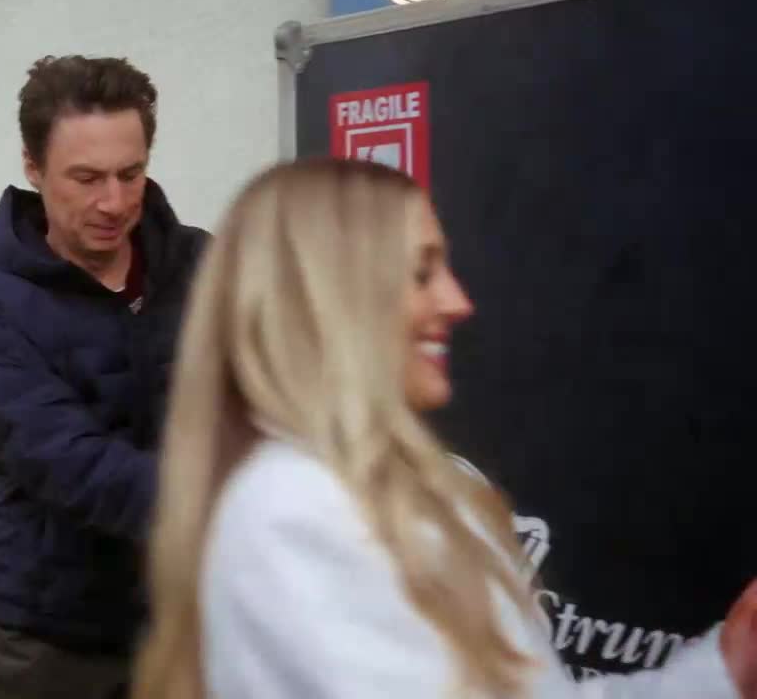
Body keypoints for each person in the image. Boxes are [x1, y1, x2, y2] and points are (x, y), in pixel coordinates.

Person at [132, 156, 757, 698]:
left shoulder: (418, 488)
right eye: (421, 273)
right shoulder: (295, 506)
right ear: (334, 292)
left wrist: (724, 672)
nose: (458, 302)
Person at [0, 54, 211, 699]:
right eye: (86, 178)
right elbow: (71, 464)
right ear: (33, 168)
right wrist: (246, 506)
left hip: (185, 627)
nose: (113, 202)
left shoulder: (205, 264)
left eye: (131, 173)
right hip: (48, 647)